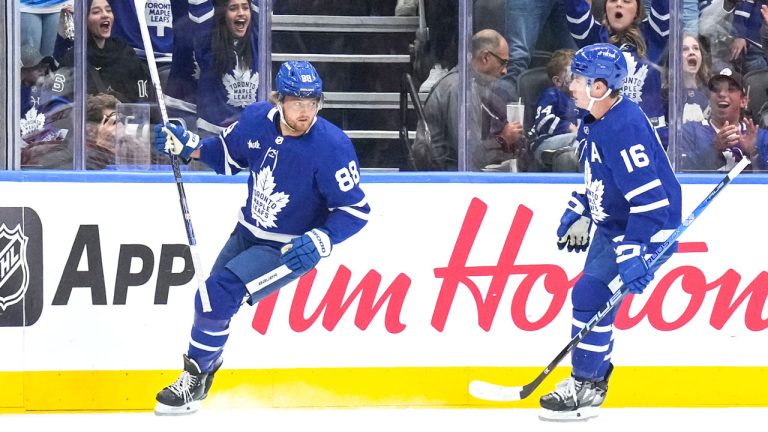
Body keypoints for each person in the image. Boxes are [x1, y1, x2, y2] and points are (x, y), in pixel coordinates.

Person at [151, 60, 370, 415]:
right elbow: (226, 156)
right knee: (209, 304)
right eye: (297, 102)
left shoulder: (332, 146)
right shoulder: (255, 119)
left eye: (313, 102)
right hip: (246, 232)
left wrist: (322, 240)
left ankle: (192, 380)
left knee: (216, 295)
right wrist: (187, 145)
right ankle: (200, 377)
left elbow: (356, 210)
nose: (305, 111)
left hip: (288, 249)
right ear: (277, 99)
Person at [540, 43, 681, 420]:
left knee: (591, 295)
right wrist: (585, 204)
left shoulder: (623, 127)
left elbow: (651, 202)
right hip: (616, 225)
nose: (571, 85)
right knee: (588, 297)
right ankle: (589, 382)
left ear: (600, 87)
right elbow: (606, 177)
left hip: (646, 228)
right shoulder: (597, 118)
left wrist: (635, 248)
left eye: (579, 79)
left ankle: (587, 385)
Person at [412, 29, 523, 171]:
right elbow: (471, 157)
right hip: (445, 179)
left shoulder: (470, 85)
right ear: (485, 57)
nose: (504, 71)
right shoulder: (459, 88)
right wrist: (502, 140)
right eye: (503, 62)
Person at [564, 0, 670, 147]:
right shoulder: (594, 37)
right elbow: (575, 8)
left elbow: (663, 6)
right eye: (613, 0)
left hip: (649, 137)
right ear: (605, 8)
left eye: (627, 1)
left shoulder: (653, 35)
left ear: (637, 10)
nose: (618, 4)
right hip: (603, 137)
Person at [53, 0, 154, 104]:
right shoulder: (74, 58)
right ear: (84, 19)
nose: (105, 15)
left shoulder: (126, 53)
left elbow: (143, 103)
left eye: (109, 10)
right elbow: (58, 104)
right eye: (96, 12)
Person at [188, 0, 259, 136]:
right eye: (233, 8)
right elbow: (198, 4)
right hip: (212, 136)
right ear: (222, 14)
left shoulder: (257, 38)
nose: (241, 13)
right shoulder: (208, 42)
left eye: (245, 8)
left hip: (249, 137)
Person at [678, 69, 768, 171]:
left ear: (743, 101)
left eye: (730, 89)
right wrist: (714, 149)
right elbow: (679, 169)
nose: (721, 94)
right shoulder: (689, 131)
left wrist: (754, 153)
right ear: (709, 99)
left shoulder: (761, 137)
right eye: (716, 89)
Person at [22, 92, 119, 169]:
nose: (121, 126)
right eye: (112, 122)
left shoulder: (121, 152)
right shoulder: (59, 158)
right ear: (90, 130)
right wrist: (102, 146)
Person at [525, 48, 582, 171]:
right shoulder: (552, 94)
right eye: (574, 75)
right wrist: (568, 127)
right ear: (557, 81)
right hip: (544, 144)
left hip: (570, 145)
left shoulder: (581, 99)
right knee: (580, 138)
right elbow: (543, 122)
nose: (579, 80)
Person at [729, 0, 768, 74]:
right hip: (752, 43)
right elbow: (743, 5)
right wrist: (739, 35)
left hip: (759, 42)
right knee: (759, 79)